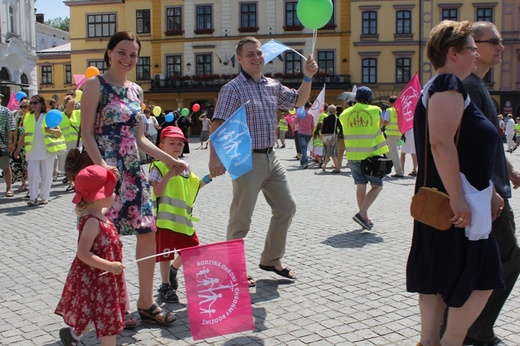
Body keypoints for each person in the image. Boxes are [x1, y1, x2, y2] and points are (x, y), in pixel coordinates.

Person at [405, 20, 505, 346]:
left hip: (445, 202)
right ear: (454, 52)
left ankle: (432, 342)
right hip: (456, 206)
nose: (477, 56)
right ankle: (450, 342)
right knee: (484, 277)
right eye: (472, 49)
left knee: (436, 280)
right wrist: (459, 198)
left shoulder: (439, 85)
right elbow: (441, 144)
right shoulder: (448, 84)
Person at [80, 31, 186, 325]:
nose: (127, 59)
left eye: (133, 55)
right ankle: (114, 307)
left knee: (147, 231)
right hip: (108, 174)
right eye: (122, 52)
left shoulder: (136, 90)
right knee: (107, 239)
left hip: (134, 171)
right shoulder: (95, 85)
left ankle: (146, 301)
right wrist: (101, 166)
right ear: (110, 52)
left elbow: (140, 138)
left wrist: (170, 159)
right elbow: (87, 132)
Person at [209, 36, 318, 286]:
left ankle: (271, 259)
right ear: (239, 59)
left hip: (271, 157)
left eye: (258, 53)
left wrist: (307, 77)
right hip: (245, 160)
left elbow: (298, 101)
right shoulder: (232, 88)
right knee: (241, 220)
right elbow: (218, 123)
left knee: (286, 207)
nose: (257, 58)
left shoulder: (272, 85)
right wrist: (214, 158)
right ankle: (235, 269)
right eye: (250, 54)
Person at [455, 21, 520, 346]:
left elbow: (488, 141)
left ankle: (462, 327)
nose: (502, 46)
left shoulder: (478, 87)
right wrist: (493, 190)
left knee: (488, 264)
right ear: (475, 48)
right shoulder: (469, 88)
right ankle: (474, 330)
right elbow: (463, 149)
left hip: (491, 192)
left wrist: (507, 167)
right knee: (507, 262)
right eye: (494, 41)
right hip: (488, 198)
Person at [55, 165, 126, 346]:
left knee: (93, 314)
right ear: (100, 196)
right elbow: (83, 253)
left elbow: (105, 207)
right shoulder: (92, 222)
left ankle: (72, 335)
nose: (115, 194)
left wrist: (114, 181)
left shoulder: (99, 213)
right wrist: (110, 266)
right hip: (98, 280)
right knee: (107, 318)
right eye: (111, 191)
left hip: (106, 279)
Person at [149, 126, 213, 303]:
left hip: (183, 221)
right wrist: (169, 174)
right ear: (161, 146)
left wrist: (209, 177)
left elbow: (194, 186)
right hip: (165, 222)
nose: (177, 147)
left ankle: (173, 270)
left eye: (180, 144)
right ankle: (165, 285)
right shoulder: (158, 166)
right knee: (165, 255)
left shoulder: (185, 167)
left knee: (193, 250)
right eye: (172, 143)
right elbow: (158, 191)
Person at [339, 86, 388, 230]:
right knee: (377, 186)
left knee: (361, 185)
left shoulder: (344, 114)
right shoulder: (375, 110)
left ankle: (364, 218)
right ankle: (362, 213)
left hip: (353, 154)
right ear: (370, 98)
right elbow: (380, 125)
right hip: (371, 155)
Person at [14, 94, 67, 206]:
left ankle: (44, 196)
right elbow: (24, 134)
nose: (32, 105)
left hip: (47, 149)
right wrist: (18, 148)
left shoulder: (48, 116)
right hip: (32, 149)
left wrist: (50, 130)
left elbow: (59, 133)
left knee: (46, 174)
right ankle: (33, 197)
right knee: (33, 174)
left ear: (42, 104)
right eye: (31, 103)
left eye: (35, 103)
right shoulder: (28, 116)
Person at [59, 95, 82, 192]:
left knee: (77, 162)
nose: (73, 106)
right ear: (65, 105)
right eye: (71, 104)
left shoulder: (79, 113)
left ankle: (76, 183)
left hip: (77, 142)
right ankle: (71, 182)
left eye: (74, 104)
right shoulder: (60, 116)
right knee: (67, 163)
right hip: (65, 142)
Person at [11, 99, 30, 193]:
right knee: (22, 165)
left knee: (28, 166)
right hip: (21, 146)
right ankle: (24, 183)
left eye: (25, 107)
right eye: (21, 107)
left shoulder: (31, 118)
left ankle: (30, 184)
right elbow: (16, 133)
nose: (23, 109)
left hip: (29, 145)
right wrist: (15, 145)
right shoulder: (18, 119)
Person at [384, 96, 405, 178]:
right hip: (399, 134)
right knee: (387, 151)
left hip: (391, 134)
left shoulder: (389, 110)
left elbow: (385, 122)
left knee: (394, 153)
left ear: (390, 102)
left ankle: (399, 172)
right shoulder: (401, 110)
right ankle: (386, 167)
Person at [0, 94, 16, 197]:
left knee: (6, 166)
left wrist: (10, 142)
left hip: (2, 143)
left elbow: (11, 128)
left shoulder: (6, 111)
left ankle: (9, 187)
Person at [321, 104, 342, 173]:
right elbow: (341, 128)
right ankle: (337, 167)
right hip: (333, 136)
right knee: (333, 152)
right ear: (335, 111)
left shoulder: (325, 119)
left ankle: (324, 165)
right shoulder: (336, 119)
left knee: (327, 151)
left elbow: (323, 130)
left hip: (326, 136)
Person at [296, 101, 315, 169]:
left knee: (303, 148)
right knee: (305, 148)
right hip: (308, 133)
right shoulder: (311, 115)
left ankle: (305, 162)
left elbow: (295, 121)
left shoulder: (300, 114)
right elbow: (313, 126)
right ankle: (302, 161)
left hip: (301, 132)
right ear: (309, 107)